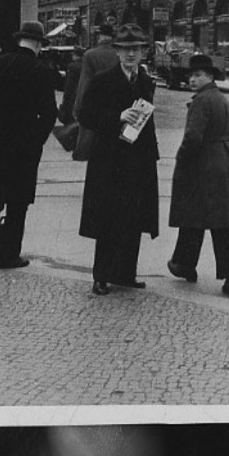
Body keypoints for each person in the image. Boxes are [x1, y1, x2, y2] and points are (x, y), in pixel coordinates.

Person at [78, 25, 159, 295]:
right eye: (125, 50)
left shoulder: (146, 80)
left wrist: (152, 154)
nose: (130, 55)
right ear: (117, 52)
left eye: (135, 50)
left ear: (143, 52)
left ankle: (125, 273)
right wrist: (117, 117)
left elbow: (148, 121)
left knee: (133, 218)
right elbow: (85, 115)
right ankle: (101, 276)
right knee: (108, 219)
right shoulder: (102, 80)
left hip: (138, 160)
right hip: (109, 161)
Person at [167, 54, 229, 296]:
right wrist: (220, 149)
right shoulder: (221, 98)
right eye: (191, 75)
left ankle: (184, 265)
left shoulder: (202, 101)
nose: (192, 79)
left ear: (210, 77)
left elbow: (193, 138)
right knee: (220, 223)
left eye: (198, 75)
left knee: (193, 215)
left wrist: (181, 157)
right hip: (224, 163)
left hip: (201, 166)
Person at [0, 21, 57, 270]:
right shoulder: (40, 71)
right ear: (38, 44)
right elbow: (50, 114)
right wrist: (35, 140)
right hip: (24, 151)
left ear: (19, 40)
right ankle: (9, 255)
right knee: (18, 204)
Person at [73, 23, 117, 122]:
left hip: (95, 106)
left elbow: (84, 84)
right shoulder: (119, 54)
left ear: (99, 37)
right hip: (117, 105)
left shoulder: (90, 55)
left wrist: (77, 109)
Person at [57, 47, 84, 125]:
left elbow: (69, 86)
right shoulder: (86, 64)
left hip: (73, 96)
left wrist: (65, 100)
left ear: (75, 55)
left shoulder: (73, 66)